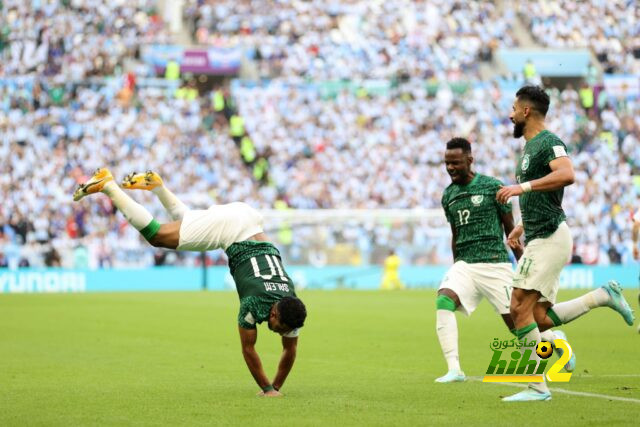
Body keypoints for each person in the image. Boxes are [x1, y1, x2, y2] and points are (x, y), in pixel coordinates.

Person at [73, 169, 307, 397]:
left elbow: (291, 350)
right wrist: (268, 389)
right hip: (232, 230)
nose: (279, 334)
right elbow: (249, 349)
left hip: (248, 221)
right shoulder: (254, 303)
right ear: (274, 313)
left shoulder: (291, 304)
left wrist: (277, 387)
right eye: (281, 329)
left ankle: (158, 187)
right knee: (157, 236)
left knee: (189, 225)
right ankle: (108, 186)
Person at [496, 85, 635, 402]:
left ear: (526, 111)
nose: (510, 114)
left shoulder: (549, 142)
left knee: (517, 307)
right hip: (539, 234)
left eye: (514, 108)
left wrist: (521, 188)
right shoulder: (529, 148)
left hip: (550, 237)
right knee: (539, 318)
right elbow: (544, 197)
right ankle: (603, 296)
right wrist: (520, 226)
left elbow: (567, 175)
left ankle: (537, 387)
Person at [435, 137, 572, 384]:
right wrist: (456, 264)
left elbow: (511, 233)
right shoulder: (449, 196)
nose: (450, 168)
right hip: (465, 265)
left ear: (469, 160)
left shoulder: (492, 187)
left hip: (495, 264)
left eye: (455, 162)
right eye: (447, 163)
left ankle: (555, 340)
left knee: (520, 327)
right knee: (444, 299)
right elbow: (455, 234)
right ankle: (454, 369)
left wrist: (523, 265)